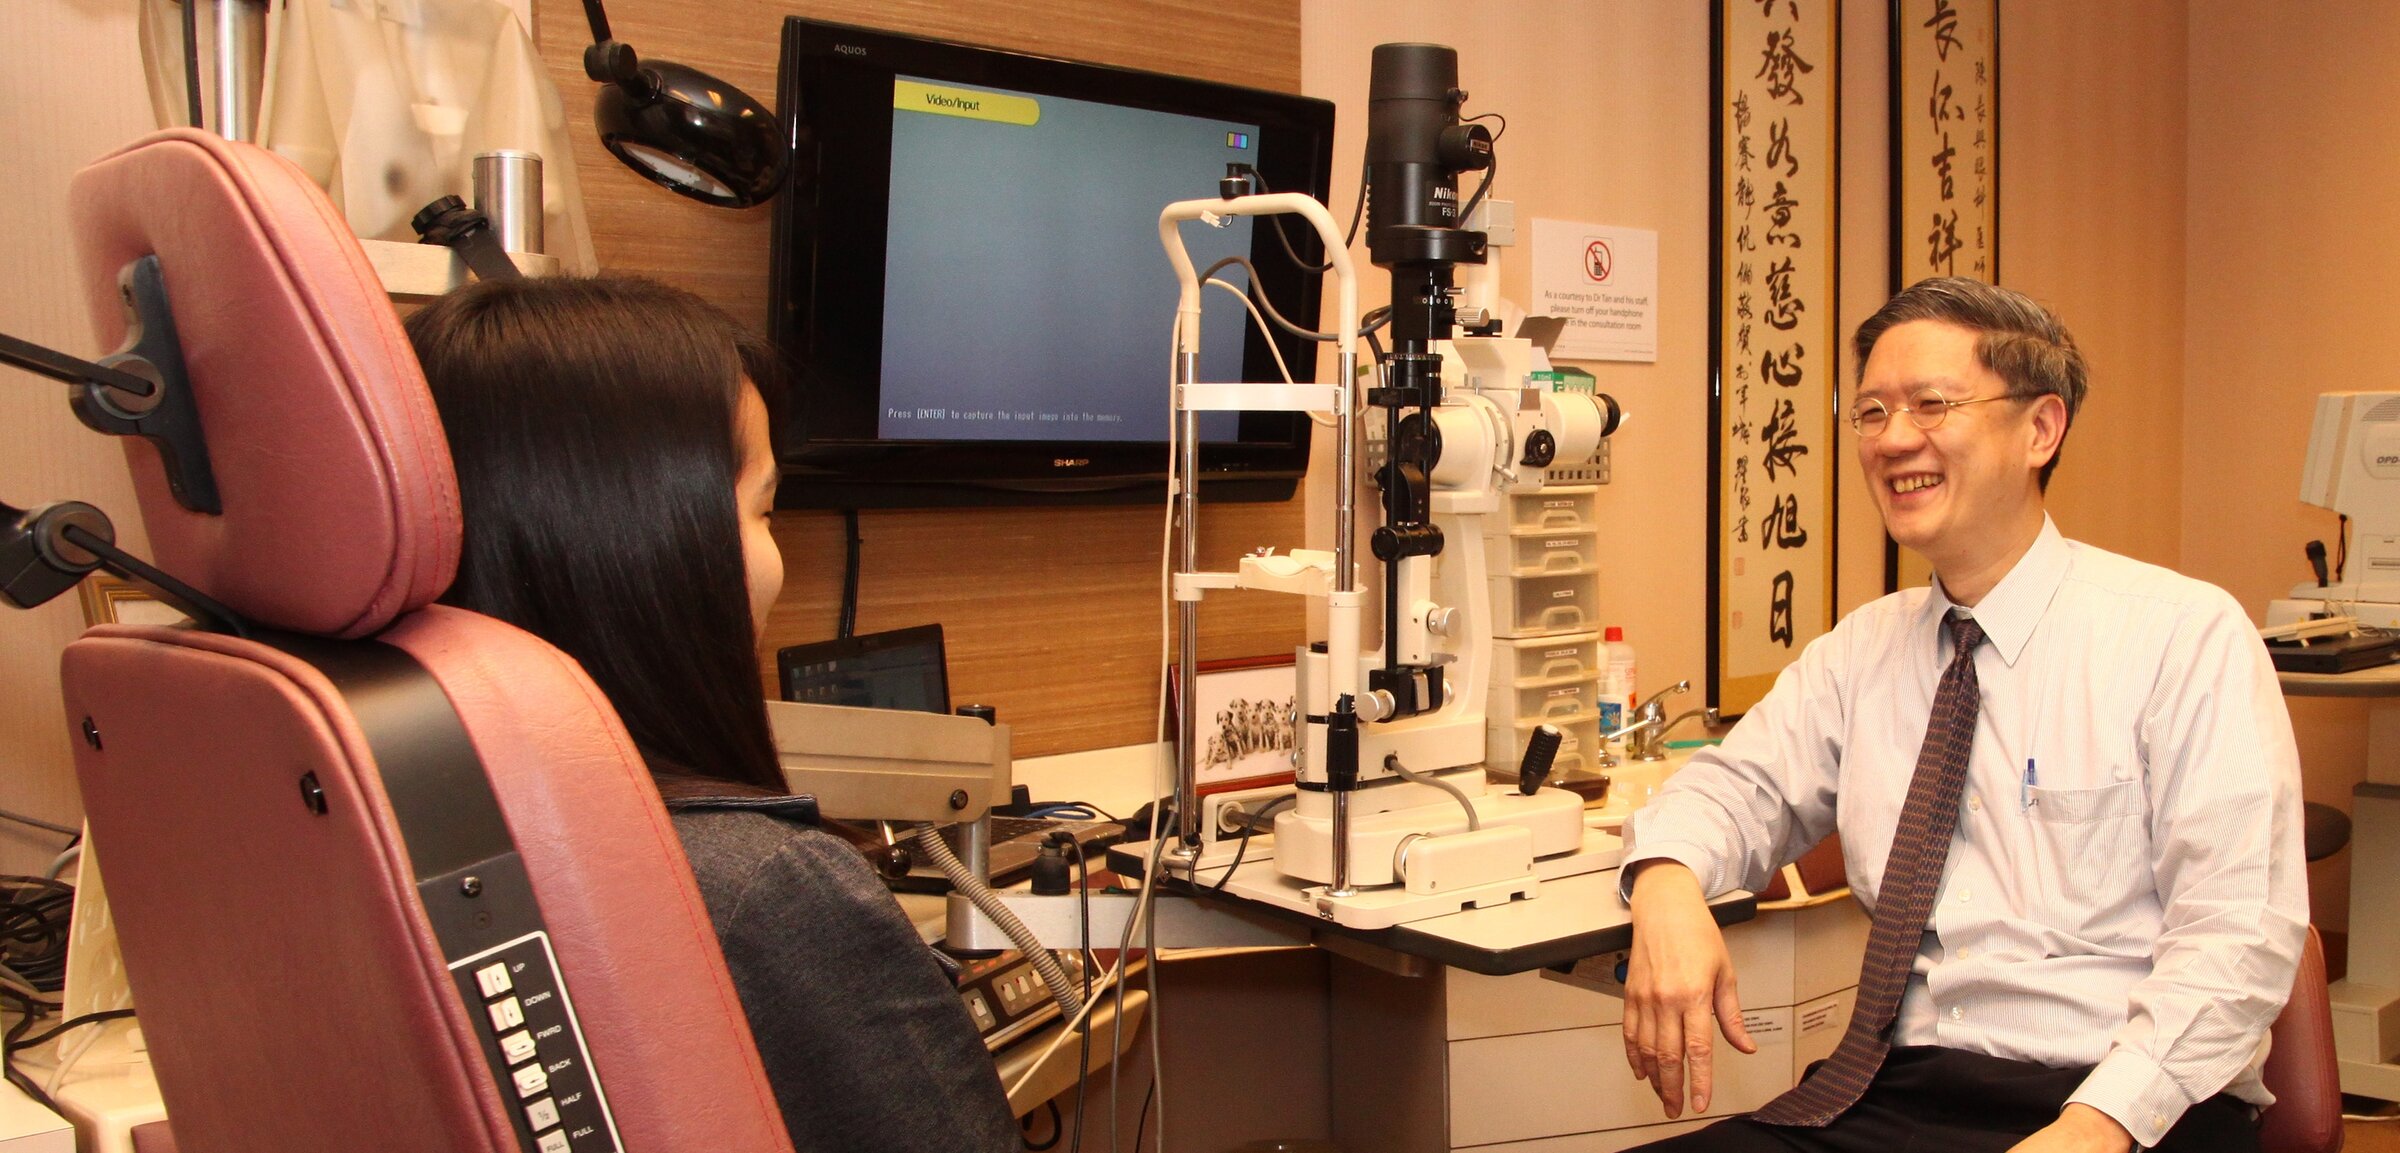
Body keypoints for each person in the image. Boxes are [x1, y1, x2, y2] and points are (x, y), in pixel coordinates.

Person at [1617, 277, 2306, 1152]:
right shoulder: (1862, 652)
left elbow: (2238, 937)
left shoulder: (2182, 636)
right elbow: (1729, 790)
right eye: (1871, 411)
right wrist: (1670, 881)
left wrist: (2095, 1126)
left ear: (2041, 428)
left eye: (1932, 403)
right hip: (1899, 1091)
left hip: (2130, 1106)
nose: (1895, 437)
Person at [404, 275, 1020, 1153]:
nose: (778, 562)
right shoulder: (766, 892)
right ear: (657, 552)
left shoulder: (399, 837)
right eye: (765, 509)